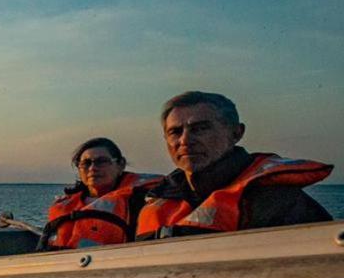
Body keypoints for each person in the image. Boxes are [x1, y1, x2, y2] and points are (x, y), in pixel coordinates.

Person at [136, 91, 333, 240]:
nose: (185, 140)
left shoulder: (277, 202)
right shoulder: (153, 204)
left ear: (236, 133)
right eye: (175, 132)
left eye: (200, 128)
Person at [40, 138, 160, 250]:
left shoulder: (142, 200)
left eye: (101, 161)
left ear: (120, 165)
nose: (92, 168)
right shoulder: (65, 205)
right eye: (86, 163)